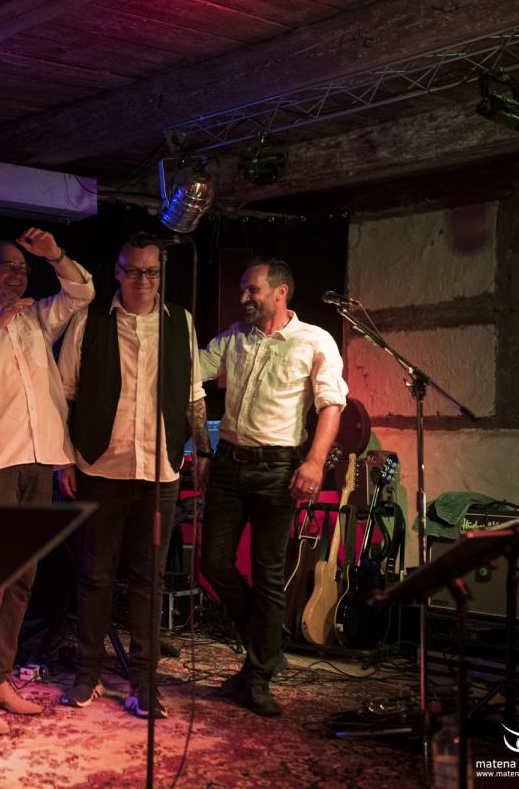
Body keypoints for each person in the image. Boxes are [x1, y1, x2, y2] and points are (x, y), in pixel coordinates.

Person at [0, 232, 94, 734]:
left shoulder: (37, 319)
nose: (17, 275)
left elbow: (82, 292)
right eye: (7, 266)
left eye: (24, 269)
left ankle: (0, 678)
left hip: (39, 458)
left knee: (23, 578)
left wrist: (56, 255)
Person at [57, 236, 208, 719]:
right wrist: (63, 459)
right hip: (101, 464)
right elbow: (63, 393)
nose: (144, 280)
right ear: (118, 272)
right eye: (134, 270)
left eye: (152, 272)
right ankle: (88, 671)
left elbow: (193, 393)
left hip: (160, 470)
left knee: (150, 579)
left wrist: (202, 452)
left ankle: (144, 681)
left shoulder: (181, 322)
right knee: (95, 574)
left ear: (161, 275)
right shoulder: (89, 320)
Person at [196, 258, 347, 717]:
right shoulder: (234, 337)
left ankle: (258, 674)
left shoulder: (314, 340)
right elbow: (192, 370)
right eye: (243, 289)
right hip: (228, 462)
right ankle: (267, 647)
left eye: (252, 289)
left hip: (279, 468)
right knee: (214, 564)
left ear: (281, 292)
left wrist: (314, 462)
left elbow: (331, 404)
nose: (243, 297)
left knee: (268, 573)